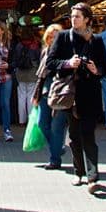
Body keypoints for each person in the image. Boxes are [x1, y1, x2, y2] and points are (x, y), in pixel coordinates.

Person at [48, 2, 106, 188]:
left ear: (87, 20)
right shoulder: (63, 37)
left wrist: (96, 69)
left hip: (90, 92)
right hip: (70, 93)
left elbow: (105, 67)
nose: (73, 20)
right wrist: (67, 63)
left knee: (88, 134)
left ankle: (93, 176)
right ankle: (78, 172)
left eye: (77, 17)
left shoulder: (96, 40)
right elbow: (50, 62)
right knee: (74, 136)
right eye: (72, 16)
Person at [35, 23, 67, 171]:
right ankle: (57, 148)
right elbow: (41, 76)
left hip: (61, 90)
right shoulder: (45, 51)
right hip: (46, 90)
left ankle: (55, 159)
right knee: (42, 123)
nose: (52, 39)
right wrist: (36, 94)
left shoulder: (65, 52)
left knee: (57, 126)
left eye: (55, 37)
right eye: (50, 36)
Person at [11, 27, 41, 127]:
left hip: (20, 73)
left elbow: (15, 59)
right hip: (32, 72)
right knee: (31, 96)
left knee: (21, 96)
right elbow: (38, 59)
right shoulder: (35, 46)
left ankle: (21, 120)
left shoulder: (18, 46)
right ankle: (30, 119)